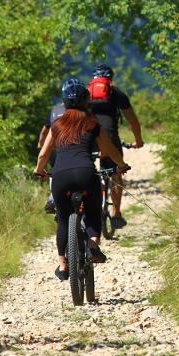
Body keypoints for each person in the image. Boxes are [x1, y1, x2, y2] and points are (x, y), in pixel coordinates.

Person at [34, 83, 128, 280]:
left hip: (60, 176)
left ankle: (62, 265)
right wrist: (121, 165)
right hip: (86, 174)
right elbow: (110, 150)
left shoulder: (57, 124)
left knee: (63, 220)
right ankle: (93, 245)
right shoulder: (92, 123)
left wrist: (39, 170)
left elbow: (44, 153)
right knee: (93, 211)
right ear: (87, 102)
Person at [87, 63, 143, 229]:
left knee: (87, 169)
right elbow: (133, 121)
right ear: (110, 78)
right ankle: (116, 214)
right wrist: (138, 141)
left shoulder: (84, 93)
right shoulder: (116, 93)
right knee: (116, 172)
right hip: (110, 137)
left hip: (87, 138)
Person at [36, 78, 83, 213]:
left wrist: (41, 145)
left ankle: (53, 196)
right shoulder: (86, 112)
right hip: (79, 151)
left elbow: (45, 130)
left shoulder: (55, 110)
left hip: (56, 149)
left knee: (54, 170)